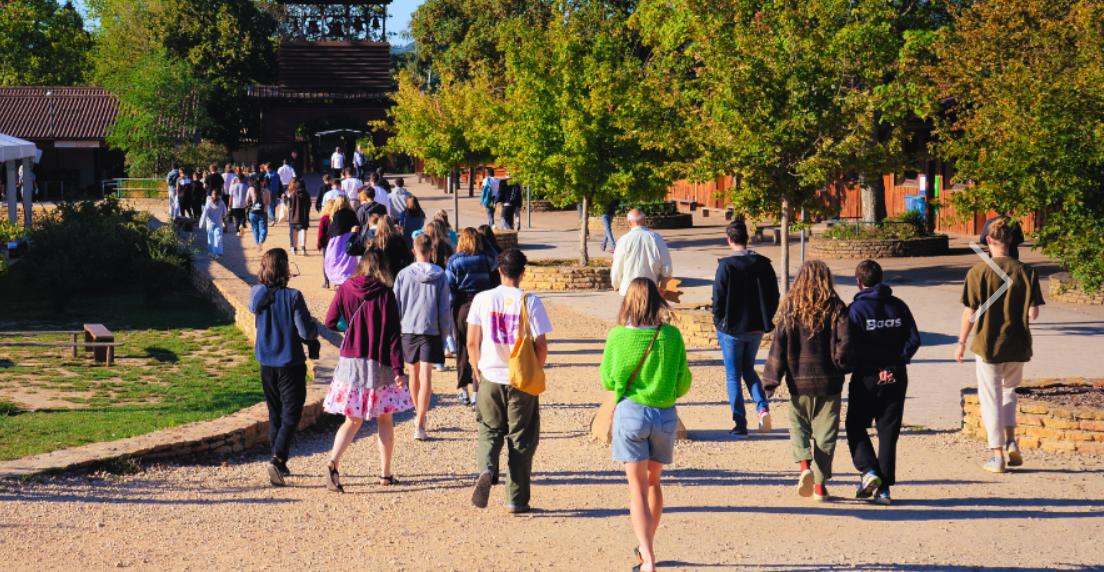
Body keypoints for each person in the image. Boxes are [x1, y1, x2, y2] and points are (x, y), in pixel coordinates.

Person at [599, 277, 692, 572]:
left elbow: (608, 379)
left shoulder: (617, 337)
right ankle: (645, 546)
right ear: (657, 301)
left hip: (631, 414)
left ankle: (648, 557)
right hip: (664, 416)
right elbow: (683, 382)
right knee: (653, 483)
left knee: (636, 487)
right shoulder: (672, 337)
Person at [467, 248, 552, 514]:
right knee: (521, 437)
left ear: (499, 270)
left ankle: (487, 468)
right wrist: (536, 369)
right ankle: (516, 499)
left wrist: (476, 368)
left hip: (490, 375)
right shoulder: (531, 301)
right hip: (521, 379)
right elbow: (541, 345)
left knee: (489, 429)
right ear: (522, 273)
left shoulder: (482, 299)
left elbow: (471, 341)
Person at [956, 217, 1044, 473]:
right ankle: (1012, 440)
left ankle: (997, 455)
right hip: (1017, 344)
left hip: (988, 344)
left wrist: (961, 342)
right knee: (1009, 393)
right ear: (1012, 241)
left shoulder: (978, 272)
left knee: (990, 398)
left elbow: (969, 314)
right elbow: (1033, 314)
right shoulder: (1027, 272)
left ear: (989, 241)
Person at [322, 247, 413, 493]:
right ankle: (385, 474)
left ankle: (333, 462)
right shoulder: (385, 294)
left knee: (352, 419)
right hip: (378, 362)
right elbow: (394, 336)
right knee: (384, 418)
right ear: (382, 268)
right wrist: (398, 370)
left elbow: (330, 321)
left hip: (351, 361)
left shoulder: (345, 288)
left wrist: (350, 328)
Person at [763, 260, 852, 502]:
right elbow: (845, 344)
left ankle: (805, 467)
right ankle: (821, 487)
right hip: (829, 381)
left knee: (799, 426)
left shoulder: (790, 309)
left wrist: (770, 382)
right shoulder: (836, 308)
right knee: (826, 434)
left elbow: (777, 349)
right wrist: (842, 365)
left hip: (798, 381)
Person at [845, 259, 921, 506]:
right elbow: (913, 339)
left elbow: (850, 345)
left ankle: (870, 471)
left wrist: (871, 369)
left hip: (866, 377)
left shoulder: (855, 311)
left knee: (855, 425)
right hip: (896, 376)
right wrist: (894, 365)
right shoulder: (899, 306)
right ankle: (884, 489)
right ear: (881, 279)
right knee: (888, 432)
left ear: (858, 282)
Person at [250, 248, 320, 486]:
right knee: (292, 413)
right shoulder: (293, 297)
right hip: (290, 361)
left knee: (275, 412)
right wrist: (315, 331)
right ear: (284, 269)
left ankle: (278, 459)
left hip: (266, 361)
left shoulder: (258, 296)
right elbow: (305, 331)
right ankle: (278, 459)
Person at [712, 220, 780, 438]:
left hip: (731, 327)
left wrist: (718, 321)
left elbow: (718, 298)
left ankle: (740, 423)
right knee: (749, 369)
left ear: (729, 239)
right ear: (747, 238)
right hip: (755, 326)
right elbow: (774, 295)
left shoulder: (726, 266)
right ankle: (762, 408)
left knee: (733, 375)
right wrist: (765, 317)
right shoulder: (763, 263)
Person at [394, 234, 452, 441]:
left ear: (414, 250)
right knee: (426, 375)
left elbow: (397, 304)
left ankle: (419, 416)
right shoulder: (441, 275)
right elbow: (445, 308)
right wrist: (444, 333)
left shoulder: (403, 275)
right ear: (431, 251)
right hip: (431, 328)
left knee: (413, 373)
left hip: (408, 328)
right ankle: (421, 419)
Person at [447, 228, 498, 405]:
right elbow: (495, 262)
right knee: (481, 347)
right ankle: (478, 388)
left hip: (463, 304)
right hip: (483, 303)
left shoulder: (455, 261)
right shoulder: (485, 259)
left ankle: (463, 389)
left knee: (462, 346)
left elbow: (450, 286)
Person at [610, 209, 673, 296]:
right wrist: (664, 283)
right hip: (651, 289)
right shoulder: (656, 238)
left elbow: (618, 265)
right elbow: (666, 265)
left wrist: (615, 284)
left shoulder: (623, 240)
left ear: (629, 222)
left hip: (629, 289)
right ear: (644, 220)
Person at [323, 196, 361, 287]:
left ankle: (339, 280)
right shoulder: (352, 213)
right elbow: (357, 225)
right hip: (350, 239)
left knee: (336, 260)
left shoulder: (335, 215)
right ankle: (347, 280)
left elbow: (332, 231)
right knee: (349, 261)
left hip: (337, 243)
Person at [198, 190, 227, 259]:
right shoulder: (219, 203)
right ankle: (216, 252)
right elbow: (225, 213)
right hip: (214, 223)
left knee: (214, 237)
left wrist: (201, 224)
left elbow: (204, 214)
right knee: (216, 237)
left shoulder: (218, 203)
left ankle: (214, 252)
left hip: (214, 223)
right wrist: (201, 223)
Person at [286, 179, 311, 256]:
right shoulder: (307, 194)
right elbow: (309, 205)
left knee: (295, 233)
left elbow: (289, 205)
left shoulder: (293, 194)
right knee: (303, 231)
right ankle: (303, 248)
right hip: (304, 217)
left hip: (294, 217)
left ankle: (295, 248)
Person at [246, 177, 270, 251]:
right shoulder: (266, 191)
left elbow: (246, 201)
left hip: (252, 212)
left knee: (255, 229)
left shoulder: (250, 189)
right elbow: (268, 202)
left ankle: (257, 244)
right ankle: (260, 242)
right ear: (263, 182)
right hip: (263, 212)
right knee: (263, 229)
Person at [317, 199, 336, 289]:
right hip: (336, 244)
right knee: (336, 262)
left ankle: (326, 282)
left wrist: (319, 245)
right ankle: (336, 281)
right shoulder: (337, 217)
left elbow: (321, 233)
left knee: (326, 263)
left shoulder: (324, 218)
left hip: (326, 244)